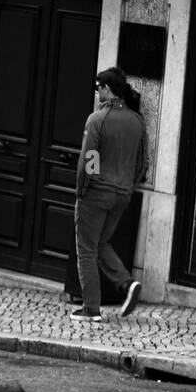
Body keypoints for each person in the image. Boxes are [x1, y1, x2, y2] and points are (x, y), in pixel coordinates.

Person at [72, 66, 146, 321]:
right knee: (100, 243)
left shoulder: (97, 119)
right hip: (122, 194)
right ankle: (127, 284)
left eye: (97, 88)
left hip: (96, 193)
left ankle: (90, 309)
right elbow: (142, 164)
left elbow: (89, 159)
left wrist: (82, 189)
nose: (96, 93)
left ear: (106, 88)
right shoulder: (137, 121)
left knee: (86, 250)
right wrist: (129, 186)